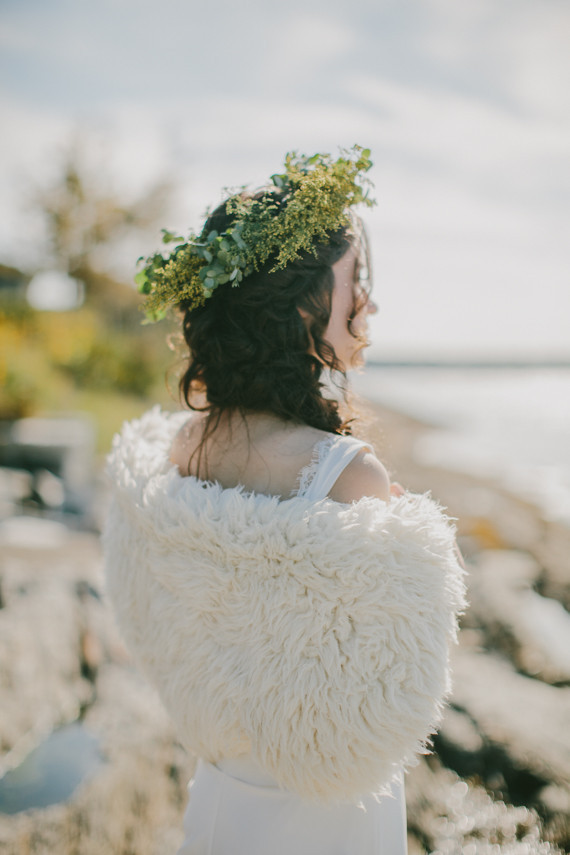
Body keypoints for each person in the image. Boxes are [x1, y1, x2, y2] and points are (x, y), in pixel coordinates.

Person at [103, 147, 466, 855]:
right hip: (327, 816)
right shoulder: (344, 471)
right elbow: (398, 683)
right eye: (355, 279)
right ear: (301, 305)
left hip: (219, 801)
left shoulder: (179, 445)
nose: (369, 299)